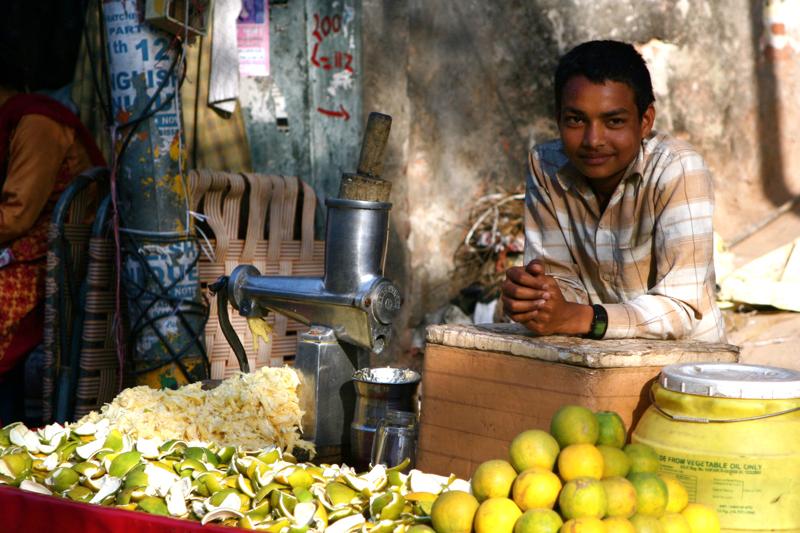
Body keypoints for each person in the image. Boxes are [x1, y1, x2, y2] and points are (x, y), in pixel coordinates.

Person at [501, 40, 726, 342]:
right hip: (599, 361)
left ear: (645, 121)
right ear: (558, 118)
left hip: (690, 368)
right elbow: (560, 283)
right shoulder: (546, 166)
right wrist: (539, 299)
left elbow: (680, 308)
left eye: (614, 121)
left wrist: (580, 317)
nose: (593, 140)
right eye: (576, 120)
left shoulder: (678, 170)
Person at [0, 69, 105, 424]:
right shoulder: (12, 123)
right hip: (25, 248)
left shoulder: (36, 122)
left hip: (55, 254)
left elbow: (17, 214)